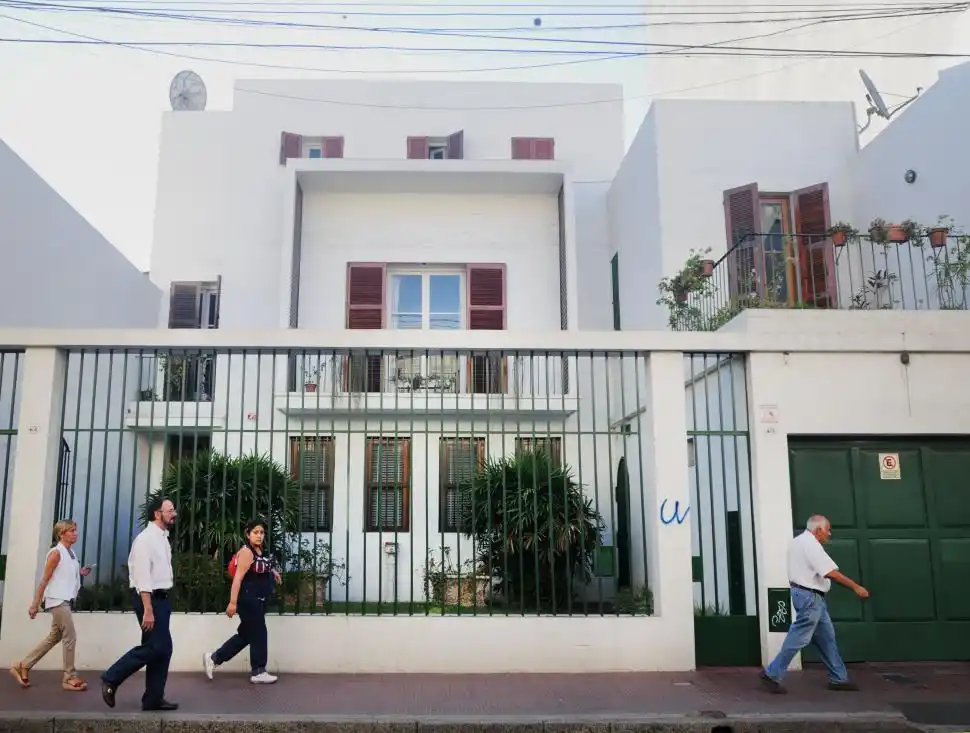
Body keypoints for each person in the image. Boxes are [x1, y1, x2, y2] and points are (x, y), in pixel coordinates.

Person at [760, 514, 870, 694]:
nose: (829, 534)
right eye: (828, 530)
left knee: (826, 638)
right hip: (810, 598)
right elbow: (830, 572)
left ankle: (839, 678)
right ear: (818, 530)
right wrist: (855, 587)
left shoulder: (798, 541)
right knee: (799, 637)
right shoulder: (811, 544)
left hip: (809, 596)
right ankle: (772, 674)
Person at [100, 497, 179, 711]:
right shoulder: (145, 540)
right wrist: (148, 610)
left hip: (161, 598)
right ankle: (111, 678)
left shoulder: (162, 537)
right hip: (149, 599)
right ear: (157, 514)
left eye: (174, 510)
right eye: (170, 510)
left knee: (162, 648)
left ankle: (153, 699)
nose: (174, 514)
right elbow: (142, 578)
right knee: (157, 647)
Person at [9, 520, 92, 691]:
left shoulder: (71, 553)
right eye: (71, 531)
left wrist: (81, 572)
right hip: (57, 600)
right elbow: (45, 580)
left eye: (76, 530)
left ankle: (23, 665)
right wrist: (35, 604)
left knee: (55, 636)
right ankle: (69, 677)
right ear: (61, 534)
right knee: (70, 636)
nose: (75, 533)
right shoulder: (56, 553)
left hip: (65, 599)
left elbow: (67, 573)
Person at [203, 518, 281, 684]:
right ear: (248, 534)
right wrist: (232, 603)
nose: (259, 536)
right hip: (248, 600)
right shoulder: (246, 552)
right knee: (260, 633)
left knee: (246, 635)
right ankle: (258, 671)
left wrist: (273, 572)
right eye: (255, 532)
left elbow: (262, 567)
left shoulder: (260, 551)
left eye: (261, 532)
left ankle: (214, 658)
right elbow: (237, 579)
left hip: (257, 599)